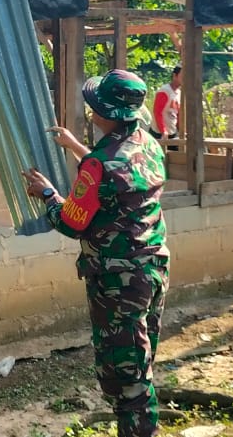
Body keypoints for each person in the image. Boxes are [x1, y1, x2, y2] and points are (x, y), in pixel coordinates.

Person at [21, 69, 169, 437]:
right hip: (153, 269)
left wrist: (48, 195)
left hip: (118, 282)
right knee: (140, 363)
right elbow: (117, 175)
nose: (90, 111)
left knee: (127, 380)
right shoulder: (147, 144)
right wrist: (76, 148)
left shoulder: (99, 164)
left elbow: (72, 222)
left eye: (94, 106)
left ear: (105, 113)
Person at [149, 67, 182, 141]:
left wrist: (182, 130)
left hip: (172, 132)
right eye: (182, 75)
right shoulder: (165, 91)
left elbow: (178, 114)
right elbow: (157, 112)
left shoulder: (179, 93)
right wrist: (163, 130)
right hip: (159, 134)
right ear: (174, 76)